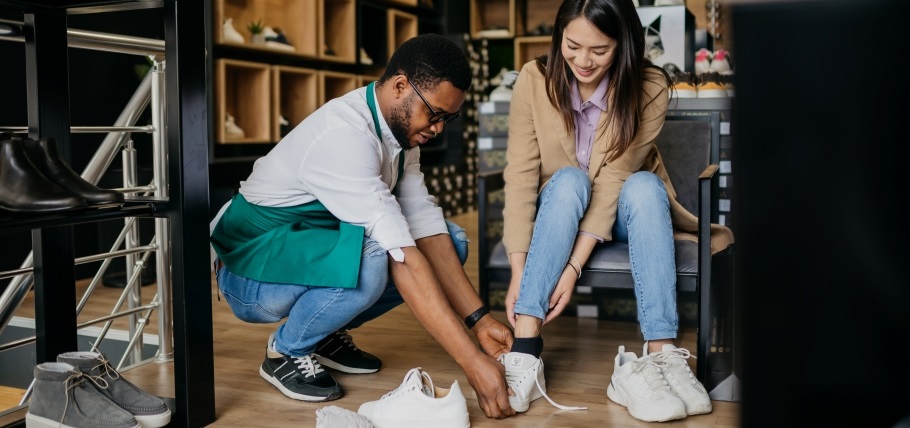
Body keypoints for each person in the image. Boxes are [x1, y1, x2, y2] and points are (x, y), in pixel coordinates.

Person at [209, 33, 516, 420]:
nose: (439, 128)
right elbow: (400, 254)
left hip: (299, 253)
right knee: (375, 257)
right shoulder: (345, 136)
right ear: (401, 85)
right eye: (435, 114)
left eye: (448, 119)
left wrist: (480, 321)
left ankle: (322, 334)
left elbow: (424, 227)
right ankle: (286, 351)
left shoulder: (402, 139)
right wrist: (472, 362)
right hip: (247, 275)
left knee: (451, 242)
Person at [501, 0, 732, 422]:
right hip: (561, 210)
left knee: (643, 184)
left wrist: (571, 270)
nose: (583, 61)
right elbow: (520, 174)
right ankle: (526, 347)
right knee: (569, 179)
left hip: (628, 212)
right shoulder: (534, 80)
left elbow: (612, 183)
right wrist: (519, 272)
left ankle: (663, 354)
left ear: (624, 44)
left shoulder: (650, 87)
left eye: (600, 50)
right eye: (572, 45)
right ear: (559, 37)